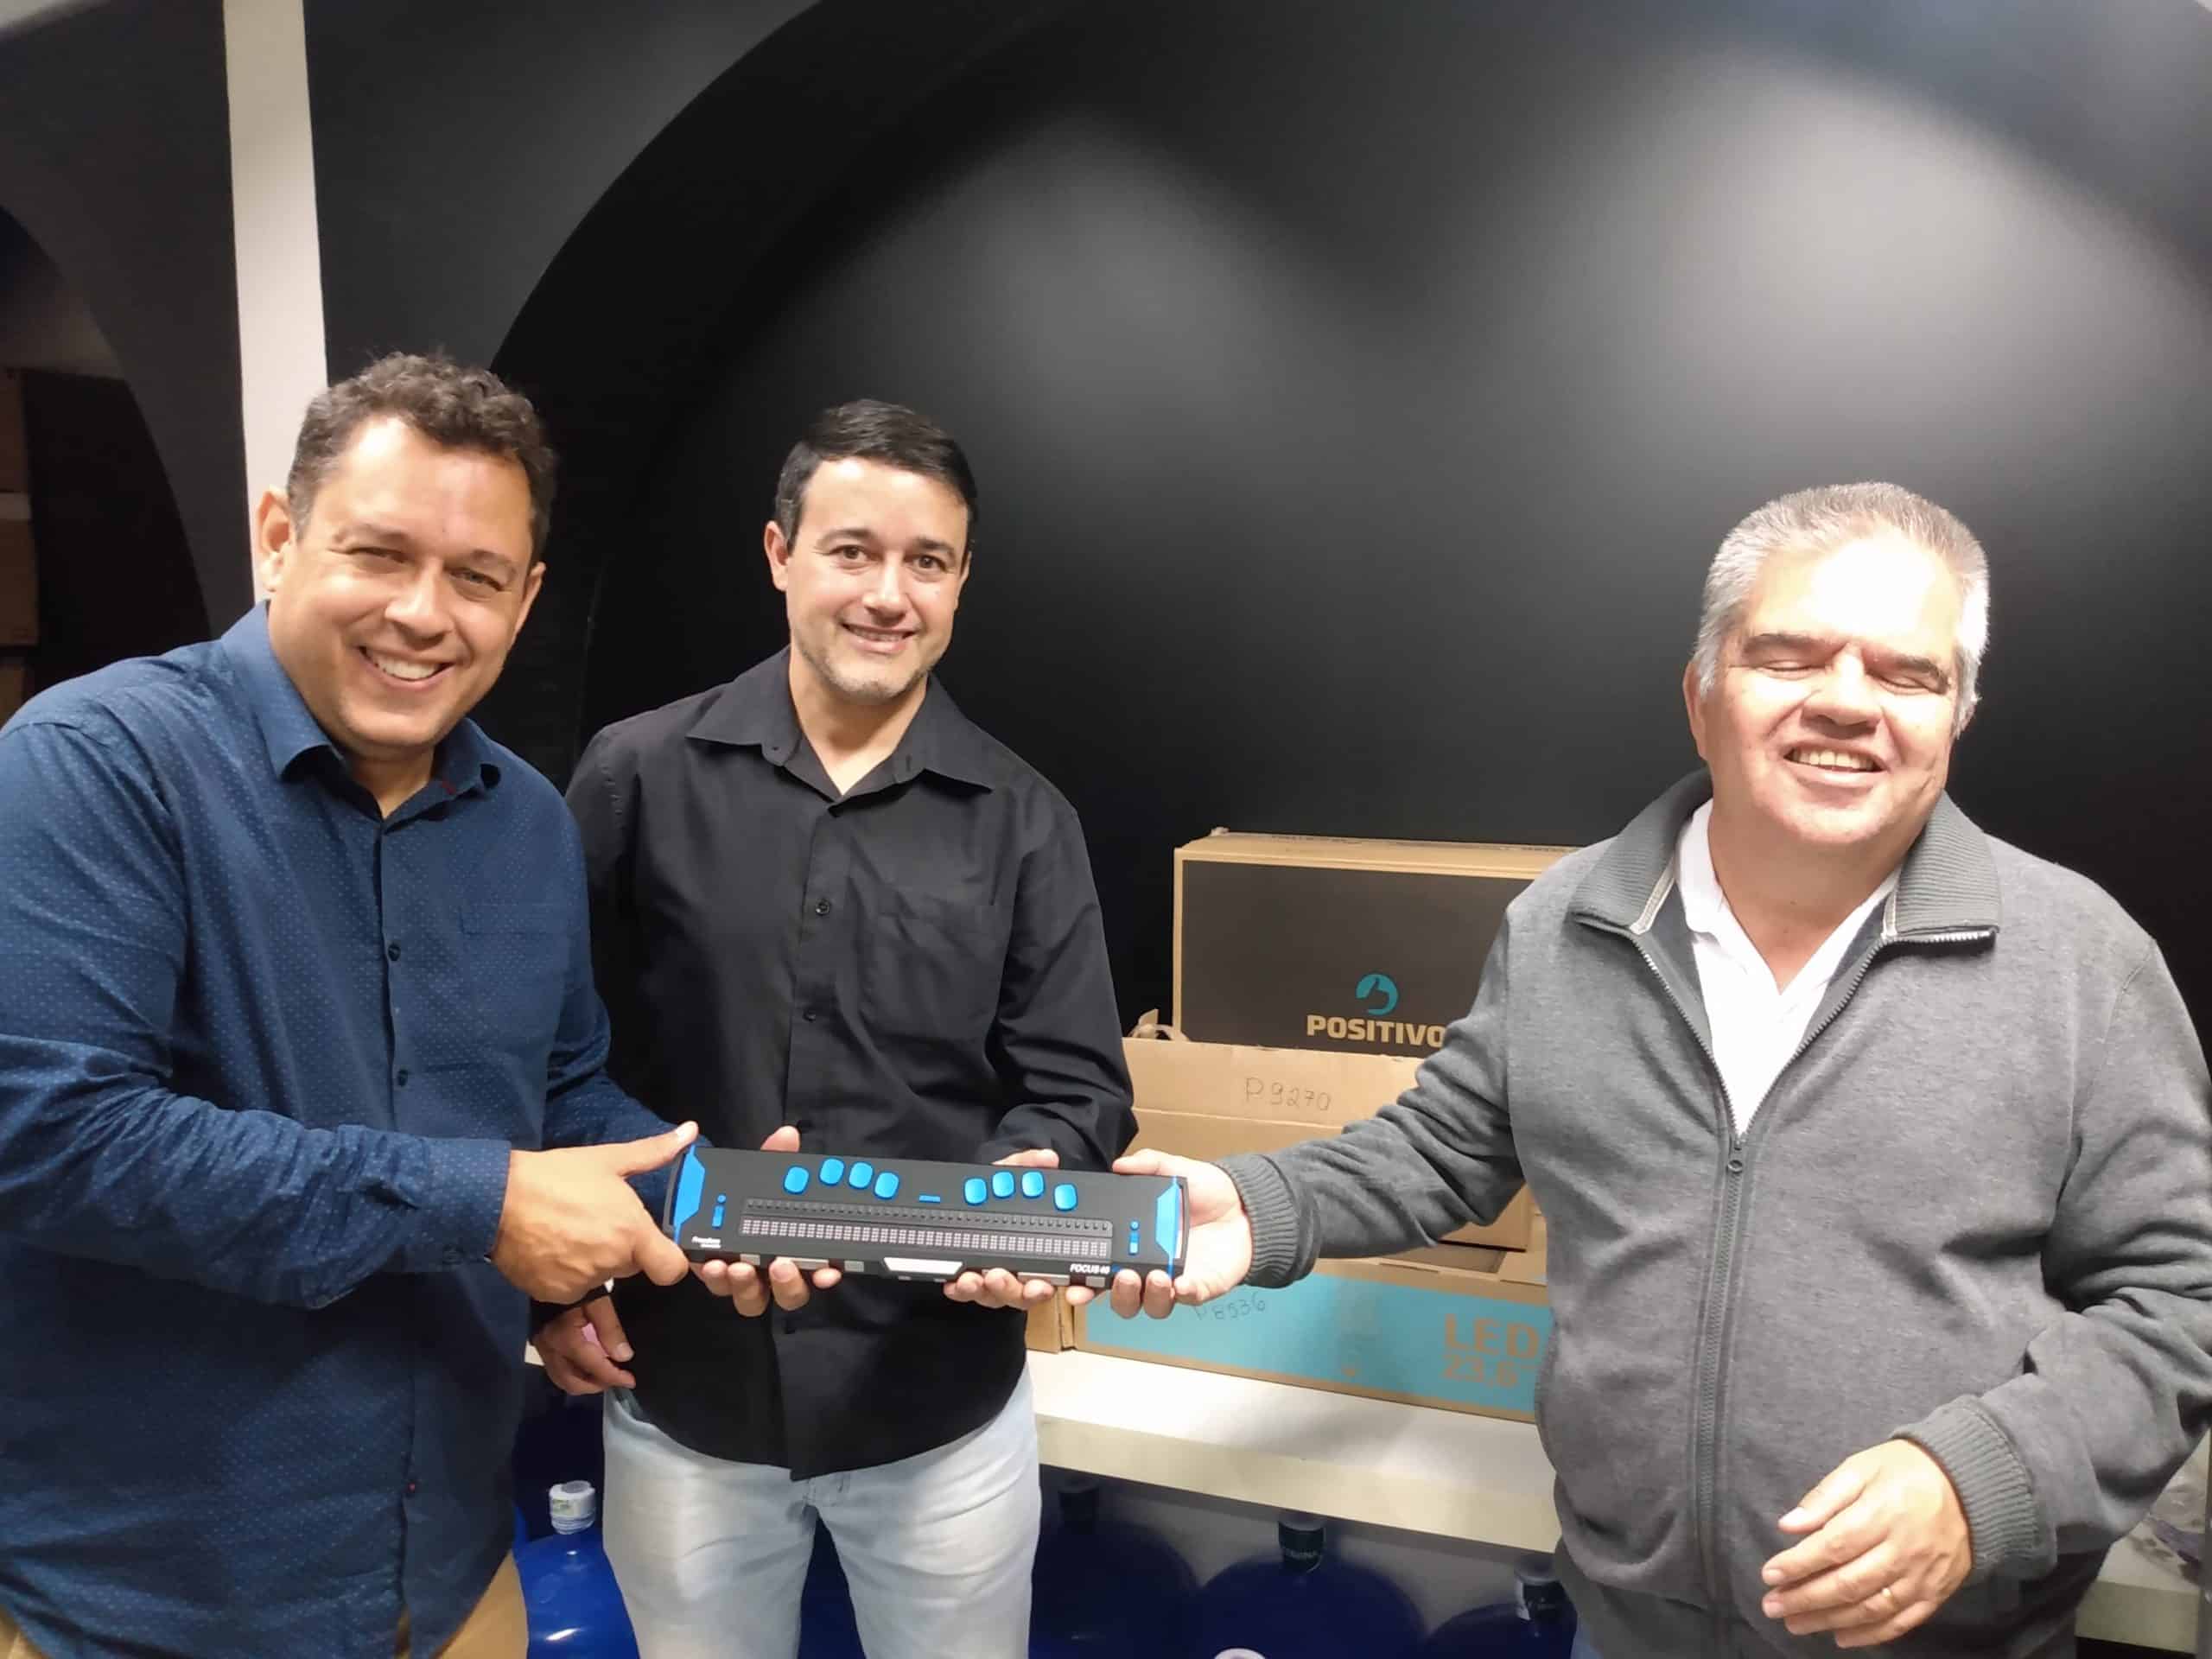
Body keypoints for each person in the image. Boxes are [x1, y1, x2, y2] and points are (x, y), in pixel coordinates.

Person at [1092, 483, 2212, 1658]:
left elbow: (2182, 1301)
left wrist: (1985, 1480)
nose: (1847, 702)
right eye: (1789, 656)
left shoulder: (2080, 962)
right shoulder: (1566, 922)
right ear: (1702, 695)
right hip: (1622, 1628)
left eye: (1907, 675)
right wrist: (1260, 1205)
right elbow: (1447, 1147)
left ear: (1956, 717)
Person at [0, 353, 698, 1659]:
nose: (423, 614)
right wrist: (485, 1208)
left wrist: (704, 1200)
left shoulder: (527, 825)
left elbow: (555, 1093)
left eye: (477, 577)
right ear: (279, 537)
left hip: (451, 1587)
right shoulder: (95, 766)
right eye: (380, 554)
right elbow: (52, 1137)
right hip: (152, 1608)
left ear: (526, 599)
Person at [531, 398, 1135, 1659]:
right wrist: (570, 1276)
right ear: (780, 554)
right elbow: (550, 1057)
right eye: (853, 551)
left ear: (962, 581)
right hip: (686, 1392)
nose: (887, 595)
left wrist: (1031, 1182)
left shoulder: (1026, 821)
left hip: (938, 1407)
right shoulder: (634, 776)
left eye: (927, 561)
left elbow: (1079, 1086)